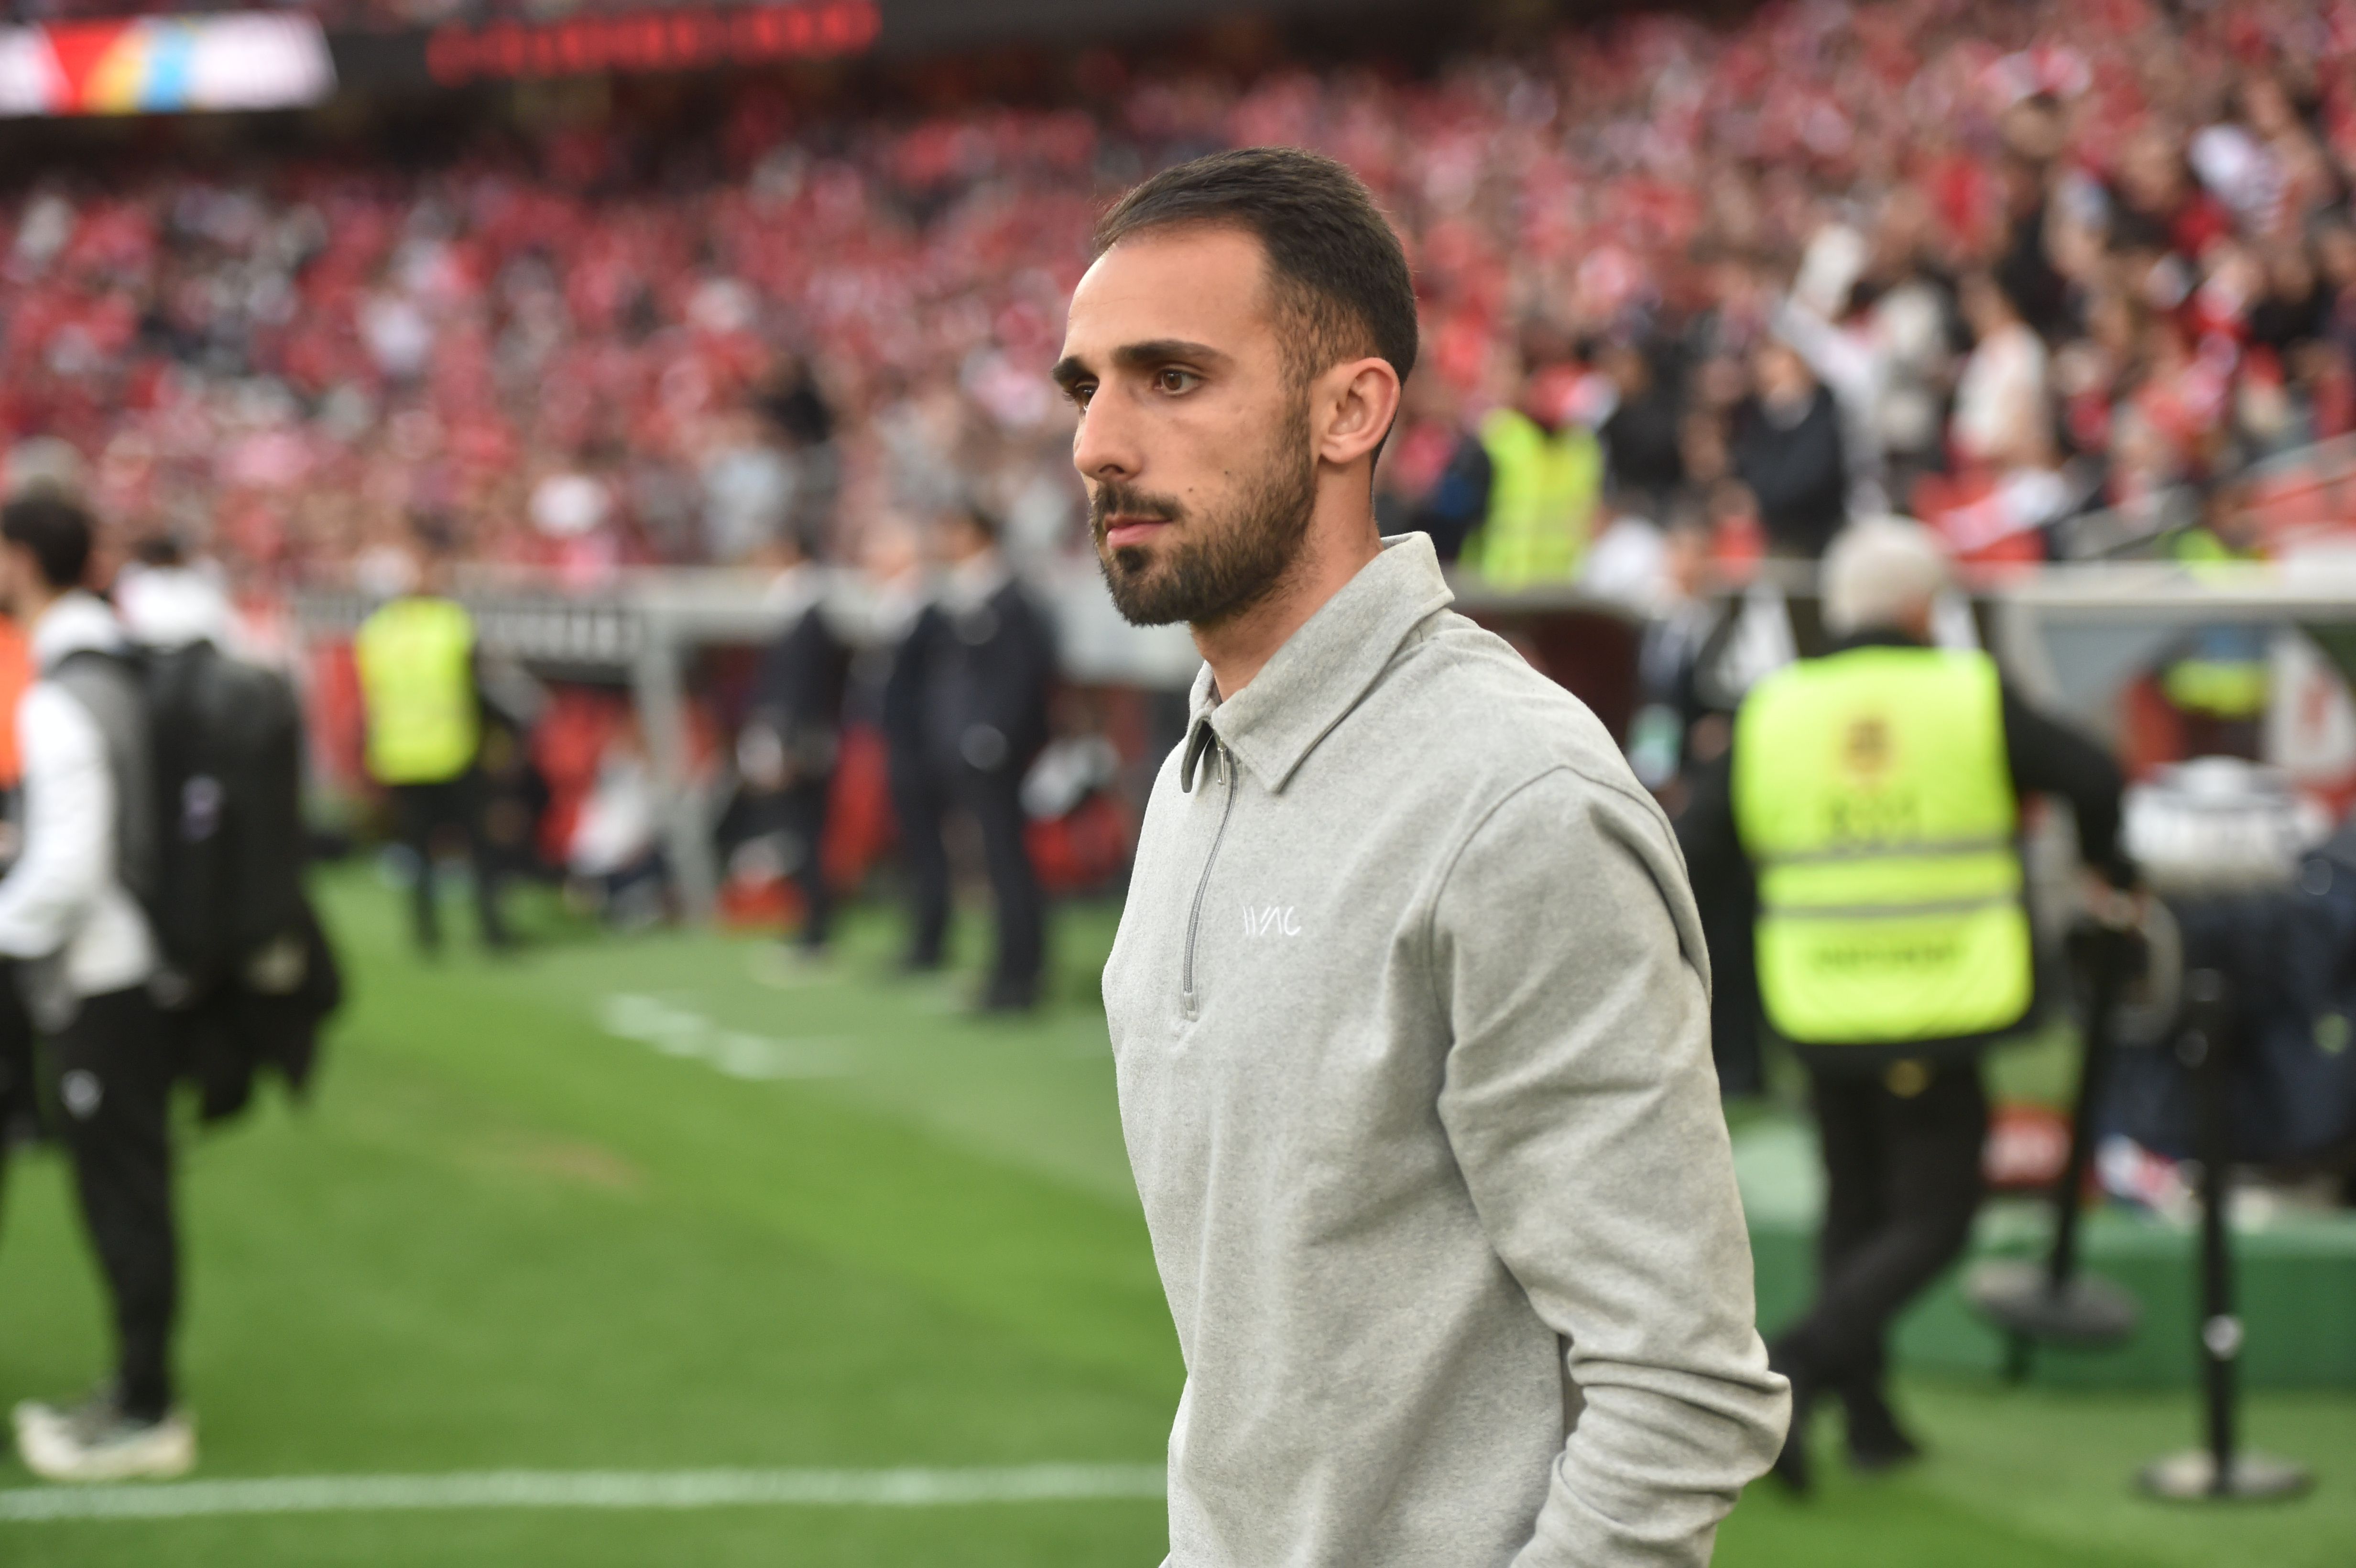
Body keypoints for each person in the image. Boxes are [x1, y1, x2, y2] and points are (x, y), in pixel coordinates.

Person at [1058, 147, 1786, 1567]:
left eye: (1171, 376)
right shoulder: (1193, 772)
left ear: (1350, 410)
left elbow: (1678, 1385)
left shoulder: (1511, 801)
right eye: (1084, 385)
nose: (1099, 440)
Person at [1675, 517, 2135, 1490]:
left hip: (1816, 1000)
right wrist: (2108, 873)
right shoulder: (1963, 694)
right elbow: (2094, 775)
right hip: (1936, 993)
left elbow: (1697, 845)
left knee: (1859, 1205)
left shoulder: (1775, 707)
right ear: (1927, 606)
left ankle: (1871, 1417)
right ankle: (1793, 1371)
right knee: (1933, 1218)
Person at [0, 496, 195, 1481]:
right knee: (129, 1187)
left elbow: (71, 867)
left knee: (123, 1193)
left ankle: (146, 1404)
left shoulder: (62, 687)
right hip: (127, 966)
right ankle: (137, 1387)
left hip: (103, 975)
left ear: (24, 559)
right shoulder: (105, 661)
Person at [885, 506, 1054, 1010]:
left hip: (992, 755)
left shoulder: (1008, 601)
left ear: (978, 533)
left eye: (954, 529)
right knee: (991, 862)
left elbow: (1022, 676)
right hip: (967, 751)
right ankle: (1008, 967)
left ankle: (1019, 972)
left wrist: (994, 734)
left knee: (1006, 860)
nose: (945, 539)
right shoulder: (970, 597)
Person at [351, 533, 511, 953]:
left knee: (418, 851)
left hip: (401, 754)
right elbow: (480, 686)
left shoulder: (377, 631)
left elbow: (371, 698)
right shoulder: (452, 623)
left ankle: (426, 934)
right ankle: (491, 931)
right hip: (454, 749)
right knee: (478, 846)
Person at [742, 531, 850, 954]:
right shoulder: (797, 610)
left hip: (801, 745)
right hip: (796, 741)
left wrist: (788, 746)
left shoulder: (808, 615)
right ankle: (809, 923)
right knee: (799, 835)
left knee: (808, 835)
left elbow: (803, 691)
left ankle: (815, 929)